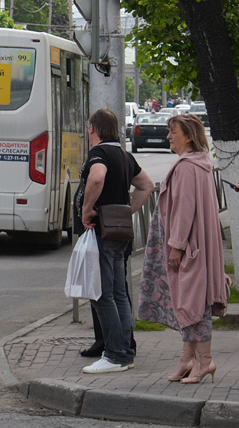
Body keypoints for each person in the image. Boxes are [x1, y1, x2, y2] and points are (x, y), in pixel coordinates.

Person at [139, 114, 228, 383]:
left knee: (193, 303)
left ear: (188, 136)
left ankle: (205, 361)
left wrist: (175, 246)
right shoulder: (198, 164)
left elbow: (184, 211)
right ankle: (187, 359)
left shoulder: (187, 167)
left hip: (189, 248)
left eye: (173, 132)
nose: (168, 137)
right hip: (198, 246)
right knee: (192, 301)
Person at [79, 108, 155, 374]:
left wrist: (88, 208)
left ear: (93, 129)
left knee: (103, 293)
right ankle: (126, 351)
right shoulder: (124, 155)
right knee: (120, 293)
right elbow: (146, 185)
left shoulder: (99, 153)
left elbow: (97, 177)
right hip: (120, 232)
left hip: (102, 232)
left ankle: (114, 355)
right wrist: (127, 210)